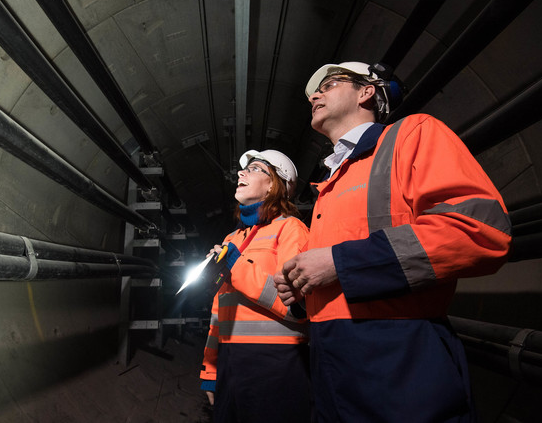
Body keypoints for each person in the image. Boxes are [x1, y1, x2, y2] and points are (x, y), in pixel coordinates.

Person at [274, 61, 512, 422]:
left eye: (330, 83)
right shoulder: (330, 182)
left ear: (366, 91)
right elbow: (335, 277)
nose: (315, 95)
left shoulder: (412, 135)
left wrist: (339, 262)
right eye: (313, 92)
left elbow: (479, 229)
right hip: (330, 362)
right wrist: (303, 293)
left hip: (397, 358)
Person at [199, 149, 312, 423]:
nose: (241, 172)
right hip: (229, 359)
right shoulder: (232, 238)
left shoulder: (291, 229)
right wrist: (211, 370)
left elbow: (297, 309)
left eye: (255, 168)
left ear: (274, 183)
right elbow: (218, 311)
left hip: (276, 362)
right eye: (243, 169)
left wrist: (237, 266)